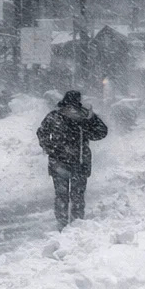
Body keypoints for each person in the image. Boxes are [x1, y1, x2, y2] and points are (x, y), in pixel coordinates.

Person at [36, 90, 109, 229]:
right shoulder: (83, 118)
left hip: (59, 162)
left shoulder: (55, 116)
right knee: (77, 196)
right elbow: (101, 132)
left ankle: (63, 224)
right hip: (79, 161)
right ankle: (76, 223)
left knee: (62, 195)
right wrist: (91, 118)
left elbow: (41, 133)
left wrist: (51, 148)